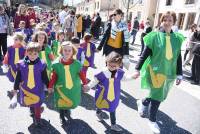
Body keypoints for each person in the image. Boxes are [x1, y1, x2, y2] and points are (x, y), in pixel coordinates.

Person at [133, 11, 184, 133]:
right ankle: (152, 120)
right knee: (157, 97)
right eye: (164, 20)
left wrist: (180, 74)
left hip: (169, 73)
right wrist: (137, 69)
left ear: (174, 23)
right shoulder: (154, 36)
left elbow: (178, 57)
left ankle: (142, 102)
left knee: (158, 95)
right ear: (161, 21)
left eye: (170, 20)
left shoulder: (177, 39)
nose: (167, 22)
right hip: (154, 72)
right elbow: (144, 55)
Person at [86, 51, 135, 132]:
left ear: (119, 65)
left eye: (114, 66)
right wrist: (88, 86)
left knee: (112, 108)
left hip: (114, 95)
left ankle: (113, 124)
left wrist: (132, 77)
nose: (111, 67)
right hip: (103, 94)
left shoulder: (119, 73)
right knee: (100, 104)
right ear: (106, 62)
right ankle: (98, 112)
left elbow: (125, 78)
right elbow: (94, 81)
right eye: (109, 65)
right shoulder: (102, 72)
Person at [48, 41, 88, 125]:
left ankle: (67, 109)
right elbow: (53, 76)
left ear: (72, 52)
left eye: (69, 50)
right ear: (61, 51)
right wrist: (50, 86)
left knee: (70, 99)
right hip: (61, 87)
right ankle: (61, 116)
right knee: (61, 101)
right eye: (65, 50)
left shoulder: (76, 64)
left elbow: (81, 74)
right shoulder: (56, 64)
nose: (67, 52)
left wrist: (85, 83)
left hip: (73, 87)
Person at [10, 42, 49, 126]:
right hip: (26, 88)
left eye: (35, 54)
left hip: (38, 88)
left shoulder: (42, 64)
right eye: (30, 53)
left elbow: (45, 76)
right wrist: (15, 88)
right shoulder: (21, 64)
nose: (32, 56)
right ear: (26, 52)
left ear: (38, 53)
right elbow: (18, 77)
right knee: (29, 101)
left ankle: (37, 118)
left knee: (37, 102)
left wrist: (49, 86)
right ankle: (32, 110)